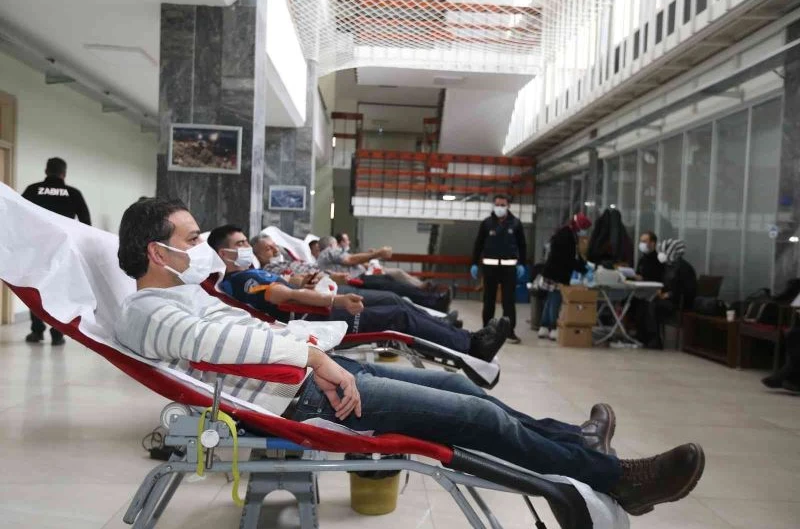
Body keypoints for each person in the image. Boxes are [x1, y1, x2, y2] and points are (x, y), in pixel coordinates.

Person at [113, 197, 705, 516]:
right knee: (477, 418)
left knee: (465, 391)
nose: (203, 248)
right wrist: (317, 359)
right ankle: (619, 479)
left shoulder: (182, 296)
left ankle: (576, 441)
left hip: (304, 376)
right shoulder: (146, 312)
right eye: (192, 239)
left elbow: (247, 332)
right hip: (298, 398)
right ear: (156, 252)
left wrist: (319, 350)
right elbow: (229, 344)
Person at [210, 226, 501, 360]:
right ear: (224, 253)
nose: (247, 248)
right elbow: (281, 296)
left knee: (396, 305)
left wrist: (306, 284)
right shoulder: (243, 279)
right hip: (315, 320)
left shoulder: (249, 273)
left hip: (315, 309)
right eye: (241, 244)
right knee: (397, 316)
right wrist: (335, 299)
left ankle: (465, 338)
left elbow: (286, 288)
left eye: (247, 242)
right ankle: (471, 346)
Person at [21, 157, 91, 345]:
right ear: (64, 173)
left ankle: (37, 331)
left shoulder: (32, 190)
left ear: (46, 171)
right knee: (60, 293)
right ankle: (57, 333)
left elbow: (19, 216)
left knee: (35, 290)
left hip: (37, 251)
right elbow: (86, 223)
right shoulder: (73, 194)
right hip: (62, 252)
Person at [316, 236, 450, 312]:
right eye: (336, 245)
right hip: (358, 280)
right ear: (331, 244)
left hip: (359, 279)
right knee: (395, 287)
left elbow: (352, 261)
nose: (339, 248)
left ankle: (431, 300)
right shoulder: (329, 251)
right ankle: (433, 301)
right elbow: (350, 260)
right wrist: (378, 253)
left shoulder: (325, 258)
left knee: (395, 285)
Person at [471, 194, 527, 345]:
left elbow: (522, 245)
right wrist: (474, 263)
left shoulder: (515, 223)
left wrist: (522, 263)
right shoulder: (487, 223)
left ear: (508, 206)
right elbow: (478, 244)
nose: (500, 208)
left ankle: (509, 332)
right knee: (488, 300)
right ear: (493, 205)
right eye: (497, 205)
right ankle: (487, 330)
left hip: (509, 268)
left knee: (509, 301)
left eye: (503, 205)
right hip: (490, 268)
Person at [537, 213, 593, 341]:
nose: (584, 232)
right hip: (557, 274)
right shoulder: (566, 236)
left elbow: (574, 256)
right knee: (555, 301)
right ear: (579, 226)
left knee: (550, 300)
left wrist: (583, 265)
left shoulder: (568, 232)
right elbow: (569, 259)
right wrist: (584, 269)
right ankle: (553, 328)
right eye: (584, 228)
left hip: (552, 272)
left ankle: (544, 327)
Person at [636, 239, 697, 350]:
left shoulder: (684, 268)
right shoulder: (668, 266)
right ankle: (644, 337)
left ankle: (655, 340)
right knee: (644, 302)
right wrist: (660, 291)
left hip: (678, 303)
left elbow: (688, 290)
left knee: (652, 305)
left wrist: (669, 295)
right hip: (667, 300)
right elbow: (665, 283)